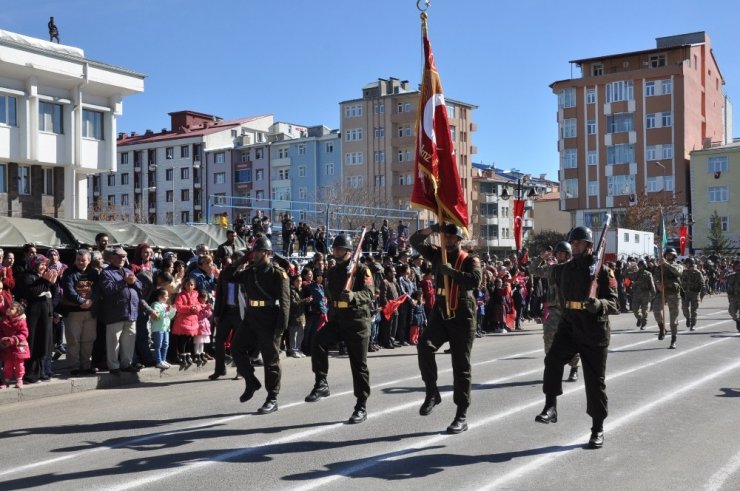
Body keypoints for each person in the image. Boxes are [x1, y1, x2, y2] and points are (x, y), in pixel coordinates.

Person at [534, 226, 619, 449]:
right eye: (574, 242)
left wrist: (599, 304)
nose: (576, 246)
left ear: (590, 245)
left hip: (594, 329)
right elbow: (537, 271)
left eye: (580, 243)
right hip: (570, 324)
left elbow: (615, 304)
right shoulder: (564, 269)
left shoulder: (602, 270)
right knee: (552, 359)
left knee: (594, 382)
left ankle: (597, 428)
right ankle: (550, 406)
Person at [410, 223, 483, 434]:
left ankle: (461, 413)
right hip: (441, 311)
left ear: (459, 240)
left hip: (463, 313)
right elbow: (415, 241)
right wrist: (432, 229)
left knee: (461, 366)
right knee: (424, 346)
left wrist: (451, 272)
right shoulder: (436, 254)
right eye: (446, 237)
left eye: (452, 238)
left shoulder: (469, 259)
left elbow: (475, 281)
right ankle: (432, 392)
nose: (448, 240)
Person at [304, 233, 375, 424]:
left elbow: (369, 293)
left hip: (357, 321)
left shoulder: (361, 270)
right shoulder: (333, 272)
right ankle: (321, 382)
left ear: (349, 252)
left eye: (340, 249)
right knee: (318, 340)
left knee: (358, 365)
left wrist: (353, 296)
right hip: (338, 319)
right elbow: (330, 293)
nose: (336, 252)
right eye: (335, 249)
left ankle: (361, 405)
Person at [231, 237, 290, 414]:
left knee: (270, 360)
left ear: (267, 253)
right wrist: (243, 258)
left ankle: (272, 397)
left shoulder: (277, 273)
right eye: (253, 251)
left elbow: (285, 302)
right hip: (251, 317)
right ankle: (251, 381)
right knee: (236, 349)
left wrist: (281, 327)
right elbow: (229, 276)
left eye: (258, 251)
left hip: (269, 319)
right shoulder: (250, 271)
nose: (255, 254)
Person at [532, 241, 580, 381]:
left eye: (562, 252)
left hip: (570, 309)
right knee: (549, 339)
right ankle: (552, 367)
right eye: (557, 253)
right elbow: (533, 270)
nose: (559, 255)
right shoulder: (552, 269)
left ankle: (574, 367)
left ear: (568, 254)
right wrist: (542, 257)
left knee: (572, 340)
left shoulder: (573, 268)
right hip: (554, 311)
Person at [99, 247, 142, 374]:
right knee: (113, 342)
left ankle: (126, 364)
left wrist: (134, 282)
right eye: (118, 256)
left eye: (124, 256)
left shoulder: (129, 271)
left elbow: (140, 287)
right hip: (115, 312)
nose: (122, 258)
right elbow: (108, 289)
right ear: (111, 257)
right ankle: (113, 366)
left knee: (129, 341)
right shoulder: (106, 273)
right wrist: (124, 281)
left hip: (131, 312)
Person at [60, 249, 99, 376]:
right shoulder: (69, 272)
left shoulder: (93, 273)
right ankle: (74, 366)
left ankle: (86, 365)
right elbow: (68, 290)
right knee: (73, 340)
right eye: (78, 259)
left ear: (89, 260)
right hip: (73, 312)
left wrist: (91, 301)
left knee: (88, 340)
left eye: (83, 260)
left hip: (90, 311)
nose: (80, 262)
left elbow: (98, 289)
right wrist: (81, 301)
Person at [210, 251, 248, 380]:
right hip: (226, 312)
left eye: (239, 261)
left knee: (238, 343)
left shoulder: (246, 275)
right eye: (235, 260)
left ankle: (241, 370)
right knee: (219, 340)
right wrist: (216, 314)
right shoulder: (225, 275)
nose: (237, 263)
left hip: (240, 313)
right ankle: (219, 369)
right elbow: (219, 294)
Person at [653, 247, 684, 349]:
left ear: (674, 256)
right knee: (656, 310)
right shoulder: (660, 267)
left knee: (673, 318)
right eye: (667, 255)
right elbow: (656, 277)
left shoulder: (678, 265)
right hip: (662, 292)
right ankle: (662, 328)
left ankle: (673, 339)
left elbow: (678, 272)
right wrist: (658, 284)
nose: (668, 256)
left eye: (670, 255)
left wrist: (665, 264)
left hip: (673, 293)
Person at [172, 278, 201, 368]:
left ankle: (188, 355)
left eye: (191, 284)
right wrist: (189, 308)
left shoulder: (195, 295)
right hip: (183, 320)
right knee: (183, 339)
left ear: (194, 286)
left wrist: (196, 308)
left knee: (189, 339)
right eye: (188, 284)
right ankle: (182, 356)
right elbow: (178, 306)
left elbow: (198, 305)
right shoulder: (181, 295)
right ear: (184, 285)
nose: (189, 286)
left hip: (192, 320)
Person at [0, 302, 31, 388]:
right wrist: (3, 339)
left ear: (17, 312)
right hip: (7, 348)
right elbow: (1, 332)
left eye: (12, 308)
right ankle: (6, 381)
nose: (9, 309)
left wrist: (13, 339)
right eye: (9, 308)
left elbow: (24, 333)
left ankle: (19, 379)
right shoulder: (4, 321)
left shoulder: (21, 322)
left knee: (19, 365)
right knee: (7, 366)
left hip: (19, 348)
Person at [149, 288, 174, 370]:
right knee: (158, 345)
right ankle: (158, 361)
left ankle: (163, 360)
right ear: (160, 297)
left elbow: (170, 317)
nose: (167, 298)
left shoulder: (166, 305)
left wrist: (172, 311)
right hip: (158, 328)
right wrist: (166, 311)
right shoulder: (155, 304)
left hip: (166, 328)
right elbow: (158, 316)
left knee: (166, 344)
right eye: (166, 296)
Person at [629, 260, 655, 330]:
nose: (640, 266)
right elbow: (625, 274)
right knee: (634, 309)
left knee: (644, 310)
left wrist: (653, 293)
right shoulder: (635, 273)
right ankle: (639, 318)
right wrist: (630, 268)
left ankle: (644, 323)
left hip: (645, 294)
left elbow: (651, 284)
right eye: (639, 265)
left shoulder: (648, 274)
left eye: (641, 265)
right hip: (636, 294)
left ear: (644, 265)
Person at [681, 257, 705, 331]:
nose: (686, 265)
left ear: (691, 264)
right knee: (684, 308)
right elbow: (680, 281)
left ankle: (692, 324)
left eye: (688, 264)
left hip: (694, 293)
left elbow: (702, 283)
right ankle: (688, 318)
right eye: (686, 264)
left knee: (693, 310)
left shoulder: (697, 272)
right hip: (685, 293)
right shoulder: (683, 272)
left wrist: (702, 294)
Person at [727, 260, 740, 332]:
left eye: (739, 265)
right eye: (736, 265)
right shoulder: (731, 276)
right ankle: (738, 321)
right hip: (733, 297)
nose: (738, 267)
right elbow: (728, 287)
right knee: (732, 312)